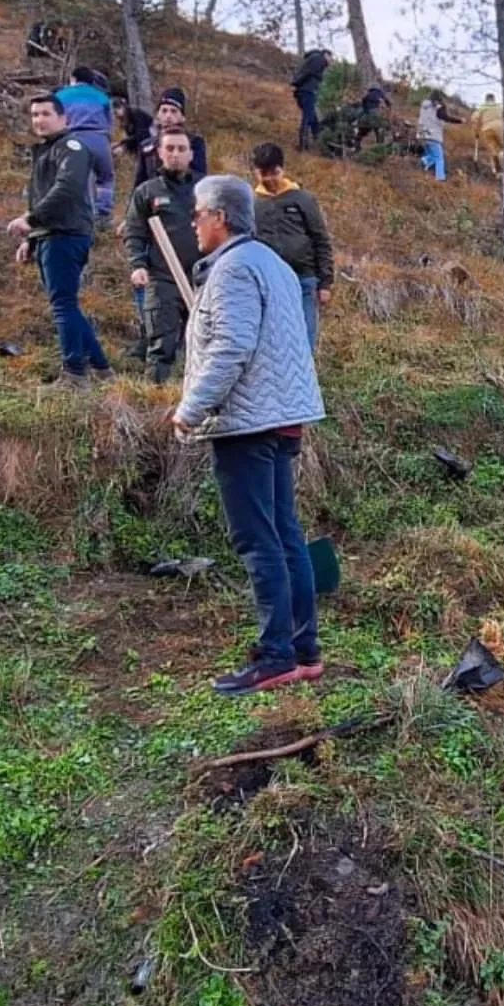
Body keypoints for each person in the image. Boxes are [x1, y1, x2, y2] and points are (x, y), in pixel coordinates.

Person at [170, 175, 326, 695]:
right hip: (282, 416)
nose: (193, 222)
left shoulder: (233, 269)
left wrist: (192, 407)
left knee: (259, 540)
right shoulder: (273, 265)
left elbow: (232, 346)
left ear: (221, 217)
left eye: (198, 213)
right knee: (285, 535)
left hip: (249, 421)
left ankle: (277, 655)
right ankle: (302, 651)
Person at [7, 94, 113, 390]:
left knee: (63, 306)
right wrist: (32, 238)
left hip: (66, 234)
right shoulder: (47, 151)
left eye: (45, 114)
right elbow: (45, 195)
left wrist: (31, 219)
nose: (39, 120)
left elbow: (66, 189)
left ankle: (74, 374)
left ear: (63, 119)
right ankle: (101, 368)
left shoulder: (71, 148)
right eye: (35, 115)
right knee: (67, 305)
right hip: (51, 234)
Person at [124, 125, 200, 383]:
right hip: (163, 278)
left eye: (181, 149)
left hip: (203, 280)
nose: (175, 154)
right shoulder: (147, 192)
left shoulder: (206, 190)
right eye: (170, 148)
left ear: (191, 154)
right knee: (160, 345)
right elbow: (134, 232)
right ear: (159, 152)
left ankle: (198, 406)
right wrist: (138, 264)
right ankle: (154, 401)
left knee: (204, 347)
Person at [251, 143, 335, 353]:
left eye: (274, 172)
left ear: (283, 169)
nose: (269, 179)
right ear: (255, 172)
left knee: (305, 340)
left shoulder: (303, 199)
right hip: (270, 282)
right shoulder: (252, 204)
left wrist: (325, 282)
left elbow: (321, 239)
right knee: (273, 342)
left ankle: (305, 382)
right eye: (264, 173)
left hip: (304, 280)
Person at [55, 66, 117, 219]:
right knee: (105, 178)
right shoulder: (102, 97)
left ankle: (73, 213)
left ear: (73, 79)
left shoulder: (61, 95)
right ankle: (102, 215)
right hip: (99, 138)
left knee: (71, 178)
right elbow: (110, 122)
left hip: (73, 139)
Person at [135, 87, 208, 189]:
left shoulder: (194, 142)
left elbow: (200, 178)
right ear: (158, 114)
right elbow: (139, 183)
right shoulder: (147, 146)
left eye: (173, 111)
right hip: (153, 198)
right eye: (164, 111)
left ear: (182, 117)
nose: (168, 116)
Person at [291, 48, 333, 152]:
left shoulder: (311, 59)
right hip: (309, 91)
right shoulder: (319, 59)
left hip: (302, 91)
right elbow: (312, 74)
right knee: (308, 117)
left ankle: (319, 143)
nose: (331, 60)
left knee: (314, 120)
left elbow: (307, 73)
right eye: (330, 57)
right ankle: (303, 145)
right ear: (326, 54)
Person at [418, 90, 462, 182]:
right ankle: (440, 178)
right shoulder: (438, 107)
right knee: (439, 158)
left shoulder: (424, 106)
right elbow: (445, 117)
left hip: (422, 134)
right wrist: (459, 120)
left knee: (432, 155)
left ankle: (424, 162)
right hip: (433, 135)